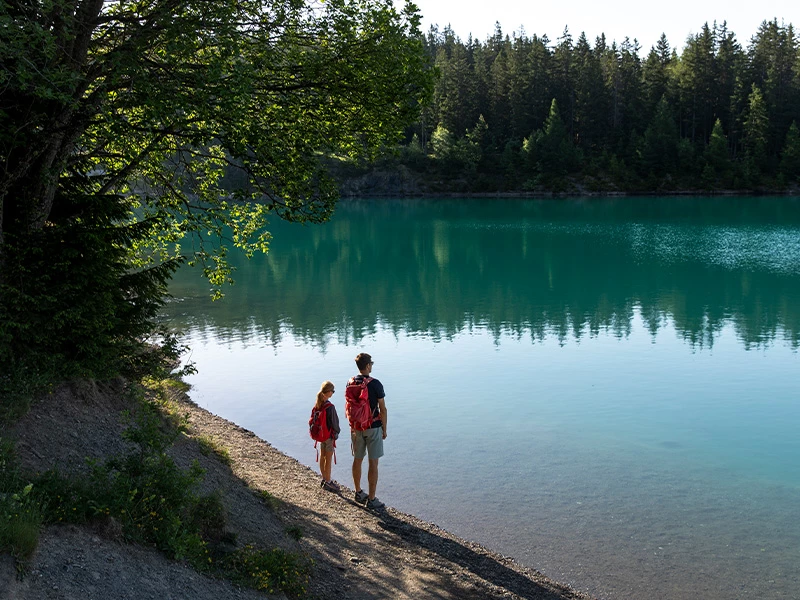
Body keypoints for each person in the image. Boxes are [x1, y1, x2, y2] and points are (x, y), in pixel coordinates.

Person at [348, 353, 387, 510]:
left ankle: (358, 492)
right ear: (368, 366)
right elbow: (382, 409)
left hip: (356, 427)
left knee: (357, 459)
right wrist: (384, 428)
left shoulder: (350, 382)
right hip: (373, 427)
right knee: (373, 462)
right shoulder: (375, 384)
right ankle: (371, 499)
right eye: (371, 363)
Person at [314, 380, 341, 492]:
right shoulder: (330, 407)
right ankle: (328, 482)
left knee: (322, 456)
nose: (333, 393)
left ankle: (324, 478)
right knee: (328, 458)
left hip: (320, 436)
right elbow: (335, 423)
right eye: (332, 391)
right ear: (328, 392)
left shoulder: (318, 404)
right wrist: (337, 433)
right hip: (328, 437)